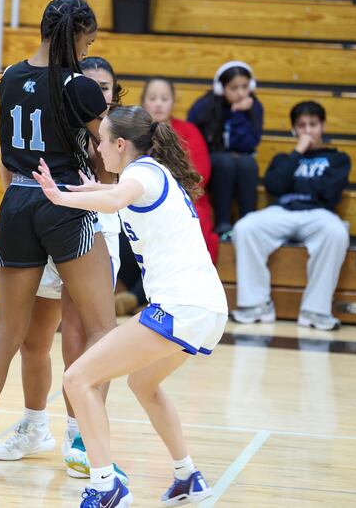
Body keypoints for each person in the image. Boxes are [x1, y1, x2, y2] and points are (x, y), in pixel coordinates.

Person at [0, 0, 118, 479]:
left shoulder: (8, 77)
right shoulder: (79, 86)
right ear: (77, 34)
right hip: (63, 202)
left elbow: (8, 155)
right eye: (89, 37)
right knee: (102, 330)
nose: (90, 45)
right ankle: (87, 441)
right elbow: (108, 154)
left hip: (18, 203)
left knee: (9, 333)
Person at [33, 105, 227, 507]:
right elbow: (108, 193)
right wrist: (69, 190)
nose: (97, 147)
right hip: (205, 309)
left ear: (121, 144)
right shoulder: (151, 173)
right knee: (143, 382)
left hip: (183, 305)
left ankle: (106, 487)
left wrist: (60, 198)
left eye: (102, 140)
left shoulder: (141, 174)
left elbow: (114, 197)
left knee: (77, 379)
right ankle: (187, 476)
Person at [0, 56, 125, 480]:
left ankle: (81, 432)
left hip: (92, 225)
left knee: (80, 337)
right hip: (43, 217)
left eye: (104, 87)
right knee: (34, 337)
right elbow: (11, 165)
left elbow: (112, 178)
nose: (96, 93)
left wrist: (94, 136)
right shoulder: (49, 117)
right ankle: (33, 425)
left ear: (113, 94)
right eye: (90, 86)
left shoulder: (113, 131)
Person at [231, 101, 350, 331]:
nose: (308, 131)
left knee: (336, 232)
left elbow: (329, 193)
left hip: (318, 214)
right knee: (245, 227)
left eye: (313, 124)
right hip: (283, 211)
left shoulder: (337, 159)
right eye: (302, 125)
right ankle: (257, 305)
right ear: (294, 129)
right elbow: (275, 186)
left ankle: (315, 311)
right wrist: (298, 152)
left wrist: (304, 188)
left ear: (322, 126)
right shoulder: (284, 159)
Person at [142, 77, 218, 262]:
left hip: (185, 197)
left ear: (173, 102)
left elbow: (200, 176)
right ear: (143, 101)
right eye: (152, 98)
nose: (158, 104)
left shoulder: (189, 131)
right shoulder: (135, 132)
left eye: (164, 99)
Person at [188, 61, 264, 238]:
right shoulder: (205, 105)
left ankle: (248, 221)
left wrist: (238, 114)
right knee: (225, 162)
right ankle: (223, 222)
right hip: (212, 158)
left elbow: (248, 144)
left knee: (248, 164)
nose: (240, 93)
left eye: (245, 87)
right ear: (221, 88)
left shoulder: (254, 107)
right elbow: (195, 138)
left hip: (241, 158)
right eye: (234, 87)